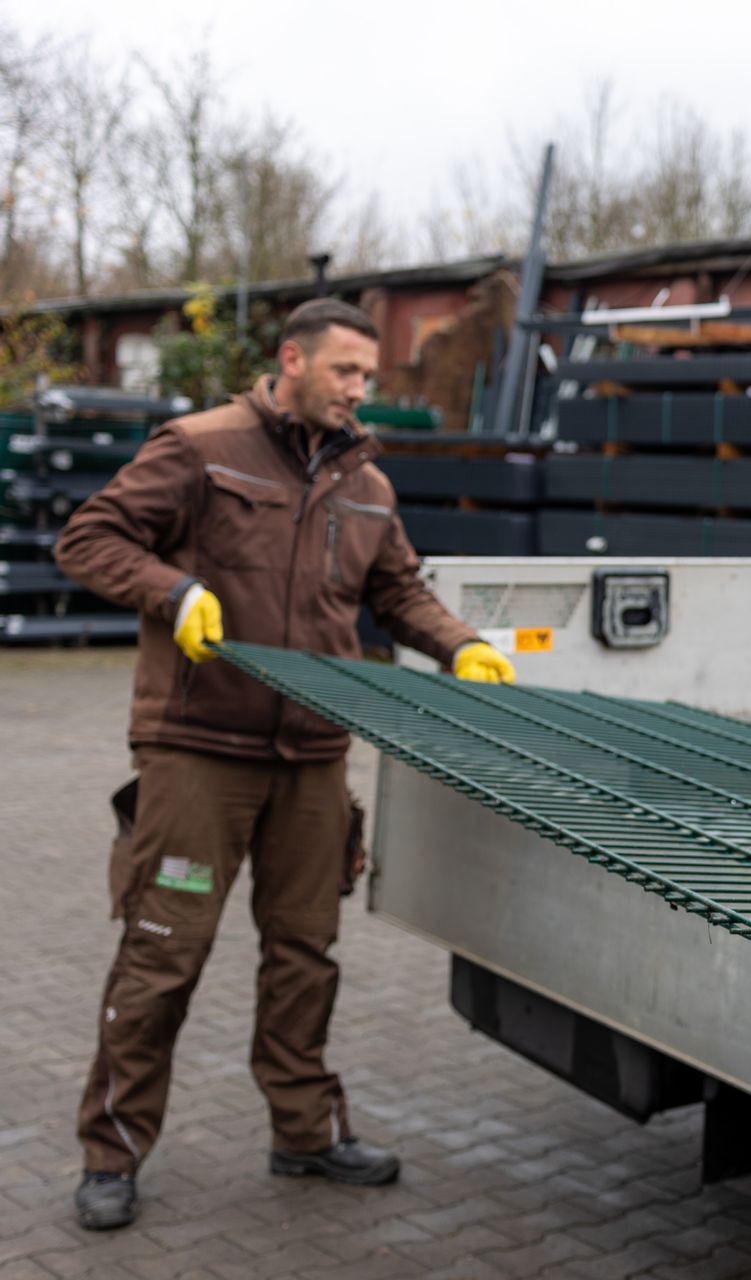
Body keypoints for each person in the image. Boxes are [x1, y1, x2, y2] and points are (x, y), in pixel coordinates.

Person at [55, 297, 517, 1232]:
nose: (359, 390)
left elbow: (397, 590)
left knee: (306, 955)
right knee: (162, 953)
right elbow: (89, 538)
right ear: (292, 359)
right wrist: (173, 590)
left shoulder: (366, 482)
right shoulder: (201, 447)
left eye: (367, 376)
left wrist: (460, 643)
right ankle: (112, 1152)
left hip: (313, 753)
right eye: (346, 371)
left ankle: (305, 1131)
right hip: (199, 750)